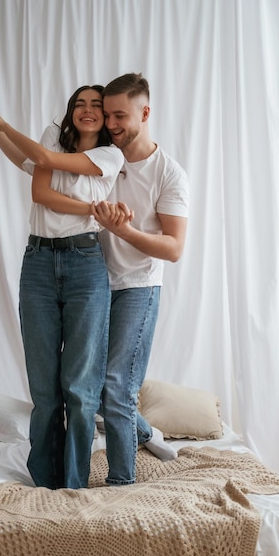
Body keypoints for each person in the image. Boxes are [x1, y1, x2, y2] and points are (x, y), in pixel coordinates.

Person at [0, 85, 125, 490]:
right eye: (81, 103)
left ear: (106, 115)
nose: (87, 111)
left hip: (85, 265)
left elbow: (42, 165)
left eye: (97, 105)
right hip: (38, 262)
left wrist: (3, 122)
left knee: (79, 386)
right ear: (71, 109)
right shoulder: (50, 137)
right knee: (44, 388)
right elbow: (38, 185)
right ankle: (44, 482)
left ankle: (73, 484)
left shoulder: (110, 155)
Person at [92, 73, 189, 485]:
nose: (110, 124)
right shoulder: (101, 158)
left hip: (138, 287)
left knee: (117, 385)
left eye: (119, 115)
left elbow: (173, 248)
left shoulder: (170, 174)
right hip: (93, 284)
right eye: (106, 115)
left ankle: (121, 484)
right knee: (88, 385)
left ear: (145, 112)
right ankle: (145, 433)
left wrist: (124, 231)